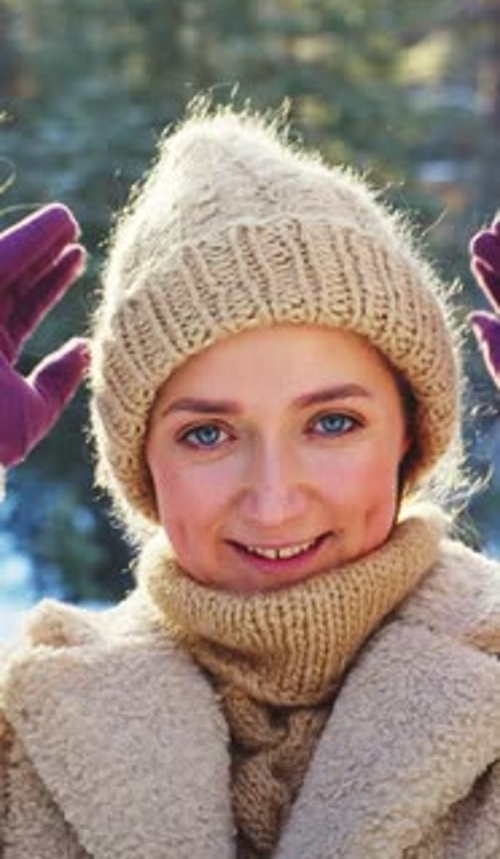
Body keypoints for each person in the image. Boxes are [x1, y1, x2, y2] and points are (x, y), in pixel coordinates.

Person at [1, 108, 500, 859]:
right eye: (207, 434)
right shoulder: (29, 730)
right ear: (143, 465)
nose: (273, 499)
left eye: (332, 423)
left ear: (411, 433)